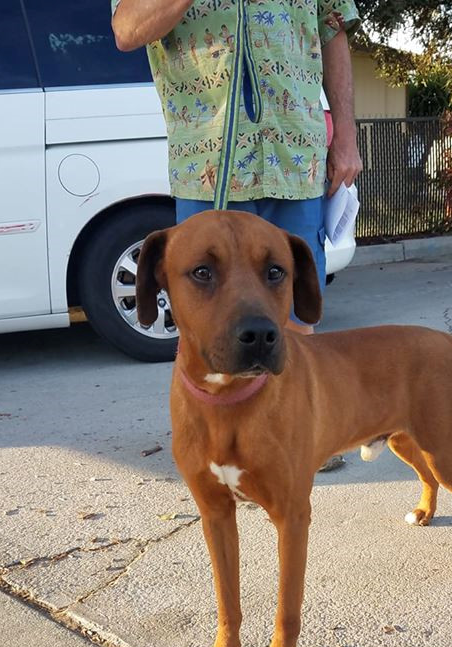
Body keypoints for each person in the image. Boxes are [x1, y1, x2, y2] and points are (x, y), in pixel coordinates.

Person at [112, 0, 362, 468]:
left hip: (294, 154)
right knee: (206, 313)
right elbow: (127, 30)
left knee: (293, 319)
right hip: (209, 164)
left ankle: (292, 439)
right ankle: (211, 444)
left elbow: (334, 30)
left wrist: (345, 137)